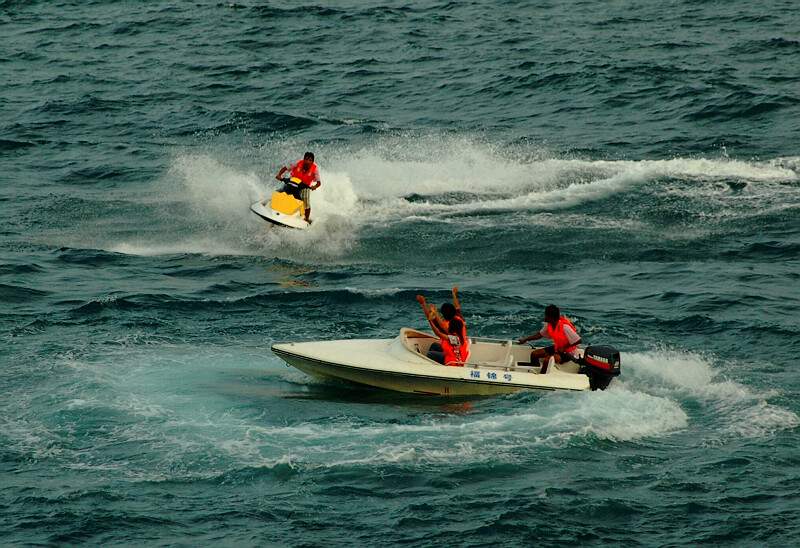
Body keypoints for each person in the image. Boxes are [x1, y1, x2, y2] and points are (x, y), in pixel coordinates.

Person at [518, 305, 582, 374]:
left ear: (550, 317)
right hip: (557, 348)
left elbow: (579, 340)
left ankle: (541, 377)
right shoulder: (549, 325)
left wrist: (564, 347)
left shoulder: (565, 327)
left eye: (546, 315)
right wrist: (525, 339)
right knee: (534, 354)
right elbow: (539, 334)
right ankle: (534, 371)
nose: (544, 316)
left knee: (547, 360)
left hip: (569, 353)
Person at [416, 286, 470, 366]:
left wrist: (424, 305)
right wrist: (454, 295)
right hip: (456, 352)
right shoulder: (459, 321)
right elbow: (457, 307)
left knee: (431, 354)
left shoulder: (453, 337)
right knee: (434, 345)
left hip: (454, 361)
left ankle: (439, 368)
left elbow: (439, 331)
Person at [276, 151, 321, 223]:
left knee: (305, 200)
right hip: (292, 183)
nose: (307, 162)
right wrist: (279, 175)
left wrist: (314, 186)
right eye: (306, 159)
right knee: (281, 192)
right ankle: (276, 209)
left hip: (304, 187)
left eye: (310, 160)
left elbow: (319, 183)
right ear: (304, 159)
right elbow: (285, 168)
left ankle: (306, 219)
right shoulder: (298, 163)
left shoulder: (315, 169)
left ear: (312, 162)